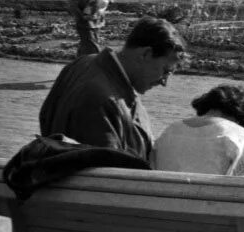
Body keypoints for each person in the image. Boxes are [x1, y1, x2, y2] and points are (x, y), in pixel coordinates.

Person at [39, 16, 186, 160]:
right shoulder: (103, 98)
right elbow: (107, 173)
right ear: (146, 54)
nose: (164, 82)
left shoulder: (84, 63)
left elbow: (45, 116)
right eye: (165, 71)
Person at [152, 85, 244, 176]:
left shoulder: (171, 130)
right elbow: (242, 183)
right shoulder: (239, 135)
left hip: (161, 203)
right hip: (211, 205)